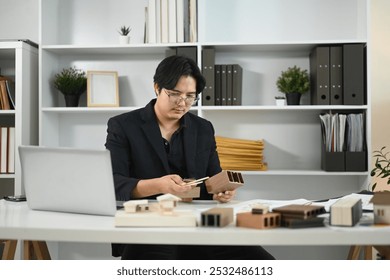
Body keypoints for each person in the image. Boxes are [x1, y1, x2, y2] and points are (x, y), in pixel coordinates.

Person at [105, 55, 275, 260]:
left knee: (263, 262)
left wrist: (220, 193)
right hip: (149, 227)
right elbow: (113, 183)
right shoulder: (123, 126)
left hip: (198, 225)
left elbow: (213, 178)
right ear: (157, 87)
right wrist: (160, 186)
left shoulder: (203, 128)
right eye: (175, 94)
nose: (182, 103)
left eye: (190, 96)